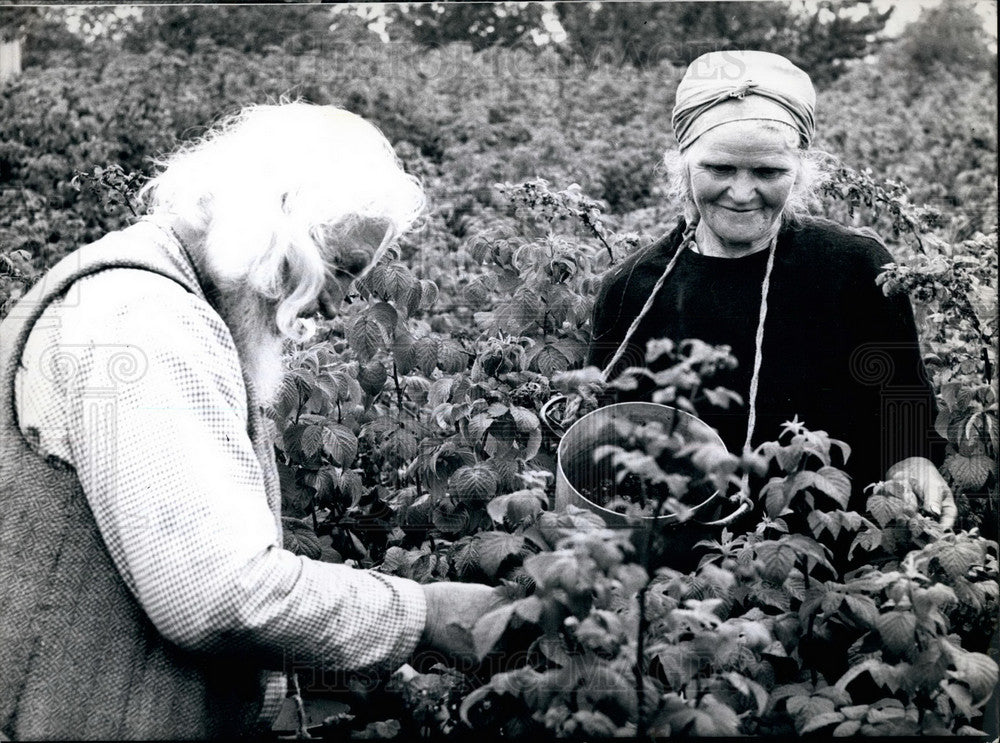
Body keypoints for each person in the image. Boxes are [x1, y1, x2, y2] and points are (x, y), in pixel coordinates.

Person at [0, 103, 499, 739]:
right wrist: (425, 614)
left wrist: (370, 668)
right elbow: (216, 594)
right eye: (342, 268)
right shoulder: (147, 324)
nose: (340, 301)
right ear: (273, 228)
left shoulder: (164, 296)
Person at [587, 51, 954, 528]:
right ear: (683, 166)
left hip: (836, 545)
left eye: (767, 173)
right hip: (680, 559)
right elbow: (602, 439)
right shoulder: (633, 288)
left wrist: (912, 461)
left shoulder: (853, 267)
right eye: (719, 169)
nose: (742, 193)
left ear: (799, 171)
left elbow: (900, 394)